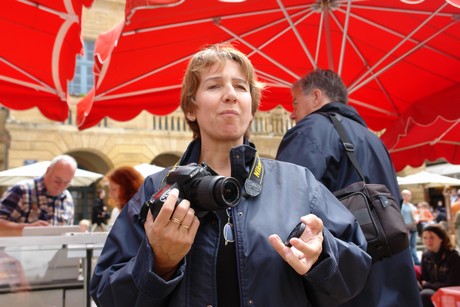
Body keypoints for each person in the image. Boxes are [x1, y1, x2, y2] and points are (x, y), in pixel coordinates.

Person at [90, 43, 372, 306]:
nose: (231, 95)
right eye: (214, 86)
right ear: (190, 108)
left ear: (251, 108)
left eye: (241, 86)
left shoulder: (300, 183)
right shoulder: (157, 188)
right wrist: (159, 263)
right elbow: (107, 293)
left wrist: (323, 256)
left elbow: (355, 275)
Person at [275, 69, 421, 306]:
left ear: (316, 96)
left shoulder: (309, 130)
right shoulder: (374, 140)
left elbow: (284, 202)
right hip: (393, 274)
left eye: (294, 102)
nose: (292, 114)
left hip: (347, 281)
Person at [0, 155, 77, 236]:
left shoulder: (67, 198)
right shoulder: (22, 190)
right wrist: (27, 229)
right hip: (19, 248)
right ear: (48, 171)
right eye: (57, 180)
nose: (61, 186)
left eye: (67, 183)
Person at [420, 223, 460, 307]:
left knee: (425, 295)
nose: (428, 241)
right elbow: (424, 278)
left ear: (441, 238)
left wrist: (428, 284)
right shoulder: (425, 256)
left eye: (431, 237)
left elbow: (452, 283)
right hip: (432, 289)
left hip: (450, 291)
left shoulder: (453, 256)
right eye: (425, 238)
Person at [401, 189, 420, 265]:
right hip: (406, 228)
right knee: (407, 247)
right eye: (409, 195)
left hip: (413, 227)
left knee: (413, 246)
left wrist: (417, 218)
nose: (411, 197)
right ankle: (410, 262)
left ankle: (416, 261)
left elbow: (416, 215)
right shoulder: (401, 206)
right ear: (404, 196)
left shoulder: (411, 205)